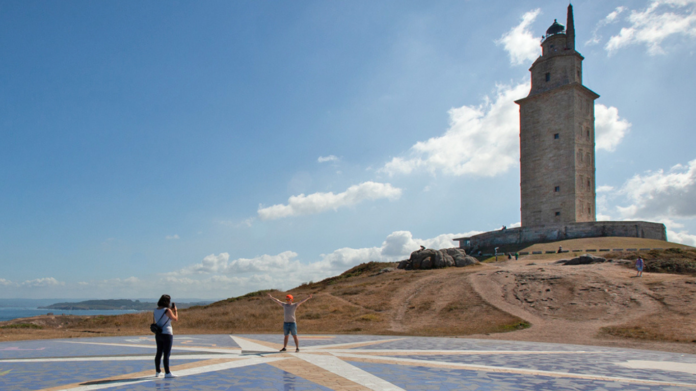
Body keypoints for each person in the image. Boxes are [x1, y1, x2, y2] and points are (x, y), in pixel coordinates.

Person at [154, 294, 178, 379]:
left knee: (159, 353)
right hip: (167, 333)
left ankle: (158, 371)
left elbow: (155, 321)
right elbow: (175, 319)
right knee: (166, 354)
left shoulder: (156, 310)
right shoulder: (168, 310)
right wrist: (175, 311)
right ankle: (167, 372)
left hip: (158, 334)